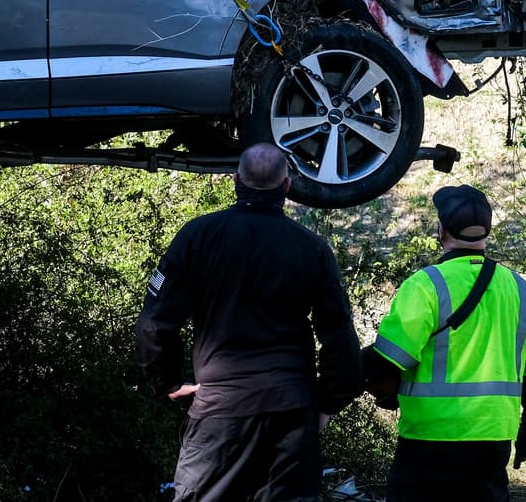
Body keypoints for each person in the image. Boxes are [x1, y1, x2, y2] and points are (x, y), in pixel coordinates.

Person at [135, 142, 363, 502]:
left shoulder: (198, 237)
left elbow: (154, 322)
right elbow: (340, 340)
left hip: (219, 410)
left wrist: (167, 381)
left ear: (235, 181)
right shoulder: (312, 248)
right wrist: (328, 403)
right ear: (286, 187)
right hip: (291, 413)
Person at [364, 184, 526, 502]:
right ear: (487, 232)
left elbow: (389, 359)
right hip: (493, 438)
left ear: (441, 230)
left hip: (429, 438)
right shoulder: (521, 289)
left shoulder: (426, 285)